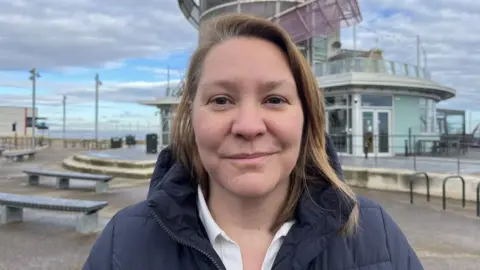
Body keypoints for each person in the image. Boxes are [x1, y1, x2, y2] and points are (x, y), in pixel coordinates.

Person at [83, 13, 423, 270]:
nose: (248, 126)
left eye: (274, 99)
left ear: (308, 118)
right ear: (190, 116)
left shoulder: (375, 234)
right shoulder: (123, 242)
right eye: (221, 100)